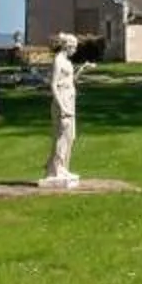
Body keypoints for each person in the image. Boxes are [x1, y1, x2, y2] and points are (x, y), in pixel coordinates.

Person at [43, 32, 81, 186]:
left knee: (70, 136)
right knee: (61, 136)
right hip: (62, 100)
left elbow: (71, 80)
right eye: (74, 47)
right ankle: (55, 169)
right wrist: (62, 106)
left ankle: (63, 167)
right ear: (67, 46)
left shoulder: (67, 61)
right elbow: (53, 84)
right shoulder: (58, 61)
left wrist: (83, 69)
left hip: (70, 99)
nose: (75, 50)